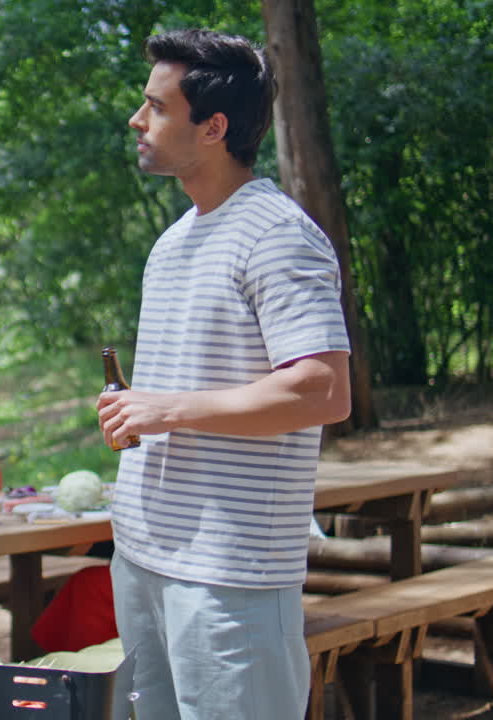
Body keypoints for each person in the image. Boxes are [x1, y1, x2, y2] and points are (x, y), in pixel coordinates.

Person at [96, 30, 351, 720]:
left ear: (213, 128)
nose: (137, 120)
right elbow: (181, 393)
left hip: (231, 577)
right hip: (143, 559)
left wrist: (166, 409)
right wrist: (138, 410)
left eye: (156, 107)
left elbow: (324, 390)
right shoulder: (172, 243)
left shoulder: (278, 233)